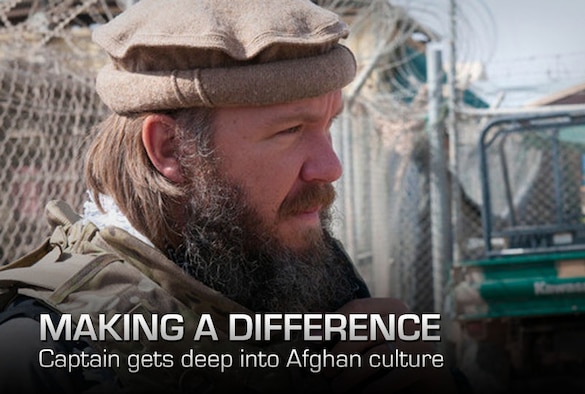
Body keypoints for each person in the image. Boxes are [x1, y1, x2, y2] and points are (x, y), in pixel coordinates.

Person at [0, 0, 458, 393]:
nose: (330, 167)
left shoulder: (294, 259)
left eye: (328, 124)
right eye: (291, 130)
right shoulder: (47, 348)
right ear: (169, 149)